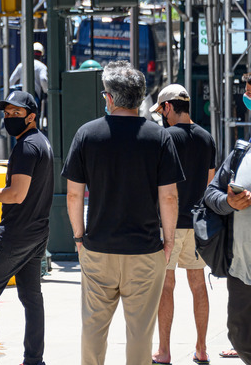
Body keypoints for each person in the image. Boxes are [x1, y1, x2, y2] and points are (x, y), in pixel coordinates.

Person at [62, 60, 184, 365]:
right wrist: (168, 241)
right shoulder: (158, 138)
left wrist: (79, 237)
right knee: (141, 332)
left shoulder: (87, 134)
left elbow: (74, 194)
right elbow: (169, 197)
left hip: (99, 248)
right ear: (141, 97)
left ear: (110, 97)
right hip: (144, 250)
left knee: (93, 327)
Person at [0, 90, 54, 365]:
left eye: (16, 113)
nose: (9, 118)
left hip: (16, 234)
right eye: (6, 113)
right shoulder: (41, 142)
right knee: (31, 296)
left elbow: (17, 195)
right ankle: (34, 359)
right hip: (37, 232)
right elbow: (22, 192)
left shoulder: (26, 147)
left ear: (31, 116)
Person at [149, 84, 216, 365]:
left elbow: (156, 183)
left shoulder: (164, 137)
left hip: (169, 222)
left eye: (161, 110)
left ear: (167, 107)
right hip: (199, 222)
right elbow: (212, 182)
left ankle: (164, 351)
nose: (162, 117)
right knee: (198, 285)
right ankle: (201, 349)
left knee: (167, 286)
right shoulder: (207, 138)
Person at [203, 79, 251, 365]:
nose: (248, 101)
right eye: (248, 95)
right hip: (243, 268)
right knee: (240, 336)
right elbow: (211, 193)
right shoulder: (243, 150)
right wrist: (228, 202)